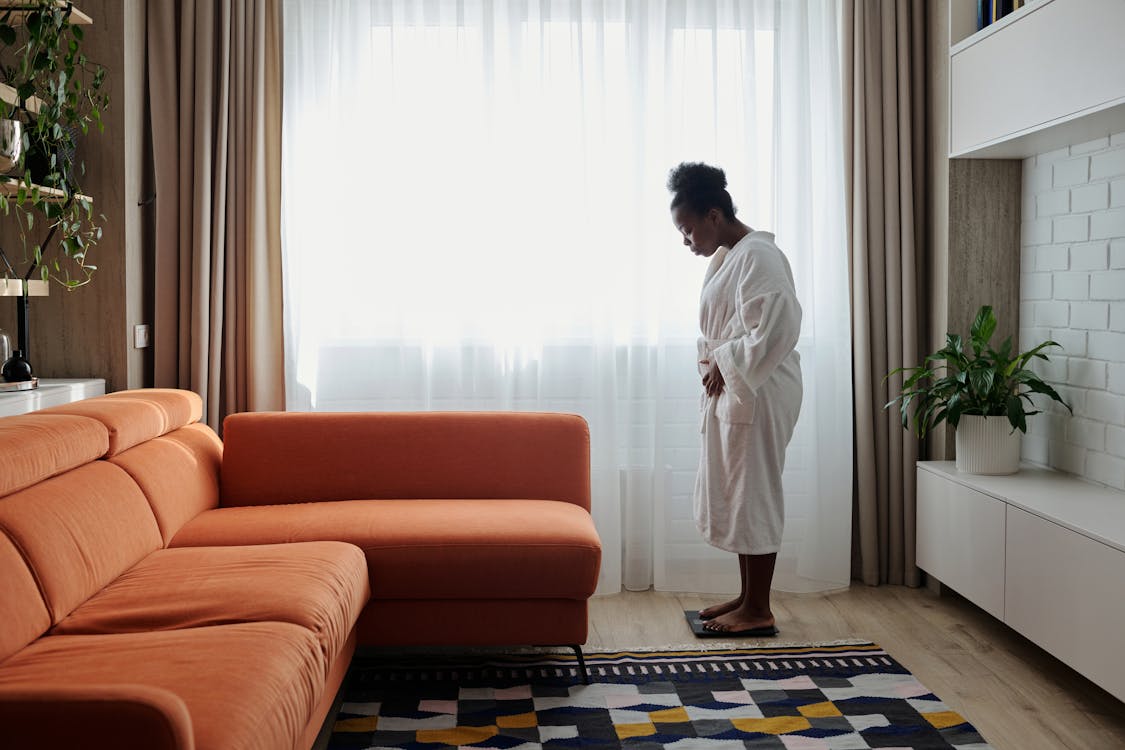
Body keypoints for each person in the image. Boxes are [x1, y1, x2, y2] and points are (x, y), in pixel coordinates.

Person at [667, 161, 803, 636]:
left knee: (756, 492)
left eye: (688, 229)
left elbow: (778, 328)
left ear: (713, 215)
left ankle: (759, 609)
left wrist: (727, 363)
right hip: (742, 385)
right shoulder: (731, 256)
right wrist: (722, 365)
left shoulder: (760, 256)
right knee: (741, 492)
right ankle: (748, 597)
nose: (687, 241)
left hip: (761, 390)